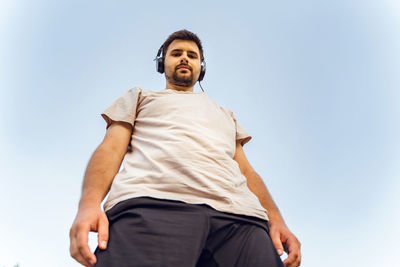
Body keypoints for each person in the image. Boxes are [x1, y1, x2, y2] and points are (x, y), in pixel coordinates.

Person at [69, 29, 301, 267]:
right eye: (176, 53)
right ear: (162, 63)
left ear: (201, 66)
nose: (184, 58)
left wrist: (277, 220)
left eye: (191, 55)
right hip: (153, 206)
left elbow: (247, 171)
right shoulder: (140, 97)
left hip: (242, 221)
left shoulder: (226, 115)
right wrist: (89, 205)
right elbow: (110, 149)